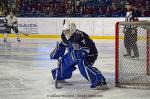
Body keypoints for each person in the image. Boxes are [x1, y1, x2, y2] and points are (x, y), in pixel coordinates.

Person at [50, 21, 108, 90]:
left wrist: (76, 53)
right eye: (64, 31)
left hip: (90, 55)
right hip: (76, 53)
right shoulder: (65, 36)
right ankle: (60, 76)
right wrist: (58, 56)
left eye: (67, 31)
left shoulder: (80, 35)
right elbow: (62, 46)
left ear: (72, 29)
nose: (65, 33)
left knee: (81, 63)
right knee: (64, 61)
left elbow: (87, 49)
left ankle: (100, 81)